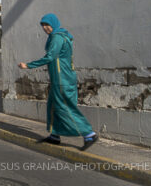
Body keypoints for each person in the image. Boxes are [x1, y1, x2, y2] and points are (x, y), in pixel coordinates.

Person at [18, 13, 98, 149]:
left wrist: (28, 65)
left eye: (47, 25)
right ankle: (55, 136)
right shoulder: (61, 36)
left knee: (65, 107)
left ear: (54, 24)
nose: (45, 28)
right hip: (61, 78)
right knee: (53, 106)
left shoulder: (57, 38)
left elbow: (50, 56)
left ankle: (89, 134)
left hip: (62, 79)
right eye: (43, 25)